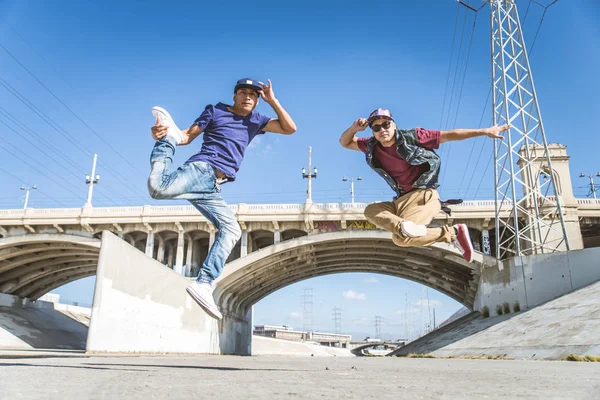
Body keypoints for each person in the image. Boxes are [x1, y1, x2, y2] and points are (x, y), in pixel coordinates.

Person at [148, 78, 296, 320]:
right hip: (202, 170)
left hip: (213, 186)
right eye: (243, 92)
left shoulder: (256, 120)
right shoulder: (215, 111)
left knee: (232, 230)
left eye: (254, 95)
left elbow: (290, 128)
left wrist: (273, 101)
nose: (248, 97)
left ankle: (203, 283)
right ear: (235, 95)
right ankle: (166, 143)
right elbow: (186, 137)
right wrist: (165, 136)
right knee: (157, 189)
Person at [339, 108, 509, 262]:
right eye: (376, 128)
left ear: (394, 126)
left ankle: (453, 233)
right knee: (371, 211)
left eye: (386, 125)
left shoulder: (414, 137)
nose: (382, 130)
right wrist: (354, 129)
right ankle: (405, 227)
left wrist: (484, 131)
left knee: (400, 239)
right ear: (373, 132)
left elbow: (450, 135)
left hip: (423, 196)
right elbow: (345, 142)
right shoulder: (371, 146)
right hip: (400, 202)